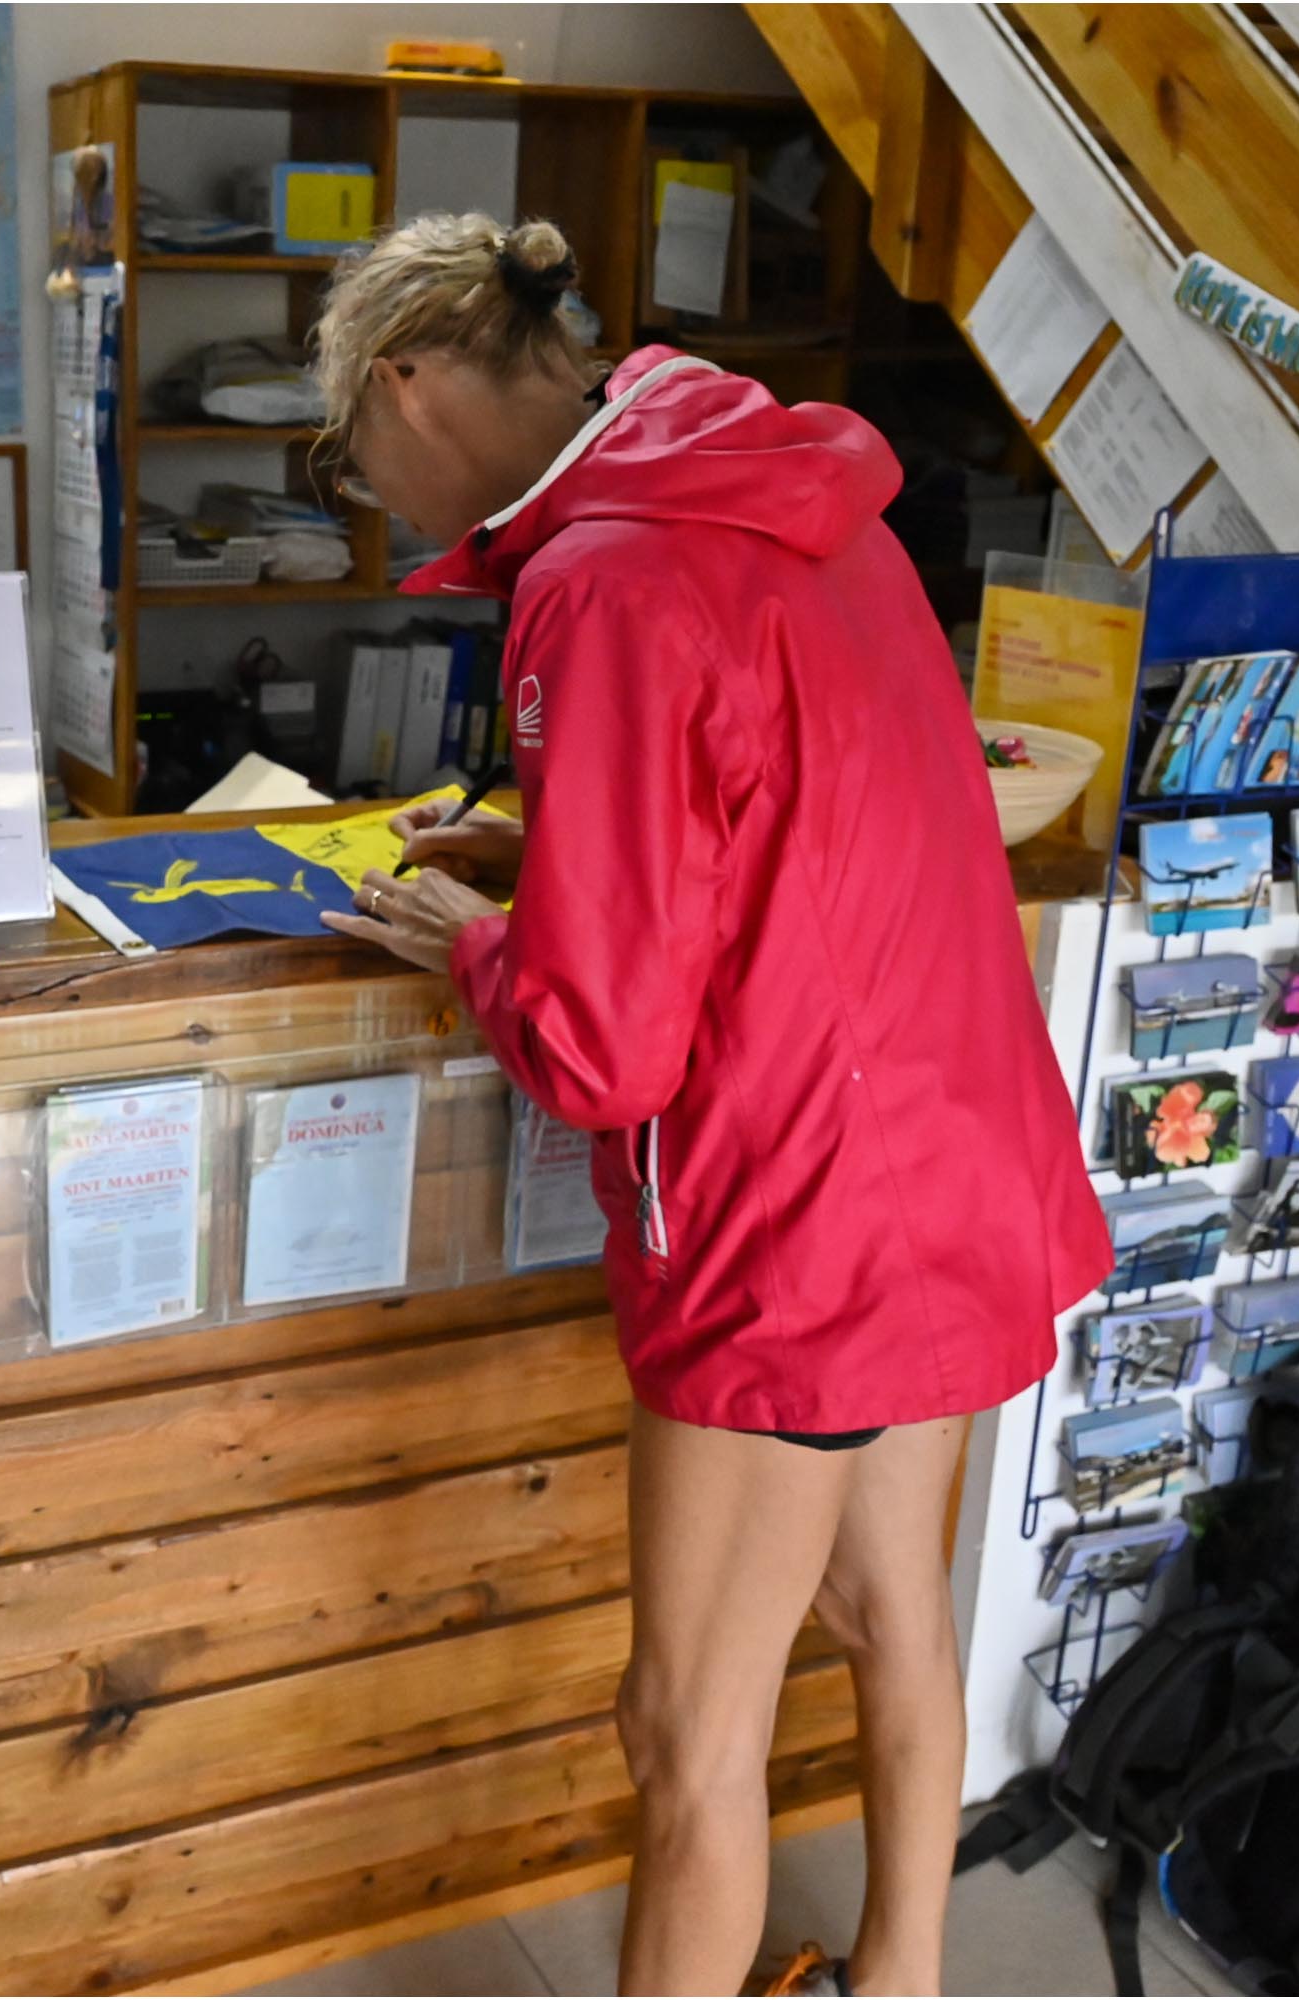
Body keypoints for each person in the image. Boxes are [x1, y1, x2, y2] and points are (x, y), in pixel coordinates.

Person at [310, 216, 1111, 1997]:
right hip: (960, 1152)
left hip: (797, 1221)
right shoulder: (793, 495)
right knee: (889, 1613)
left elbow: (604, 1051)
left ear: (406, 384)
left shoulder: (594, 578)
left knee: (681, 1727)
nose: (367, 488)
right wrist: (551, 857)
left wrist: (476, 939)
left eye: (348, 449)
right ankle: (897, 1978)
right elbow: (800, 812)